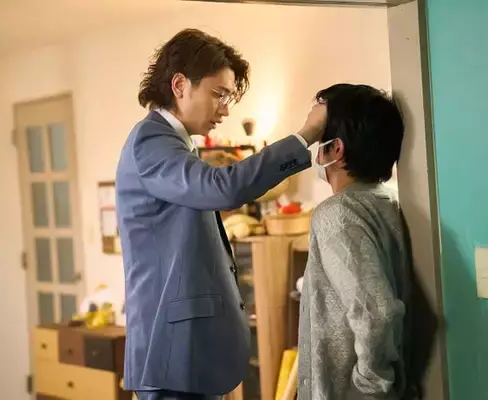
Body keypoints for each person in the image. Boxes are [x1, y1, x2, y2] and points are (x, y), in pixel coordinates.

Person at [115, 29, 326, 400]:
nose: (225, 110)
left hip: (186, 353)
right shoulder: (151, 141)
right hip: (171, 353)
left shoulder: (175, 144)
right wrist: (306, 134)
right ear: (179, 85)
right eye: (218, 94)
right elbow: (222, 188)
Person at [298, 83, 414, 399]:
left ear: (336, 149)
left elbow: (377, 313)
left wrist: (366, 387)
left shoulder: (336, 213)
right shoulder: (387, 201)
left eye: (319, 140)